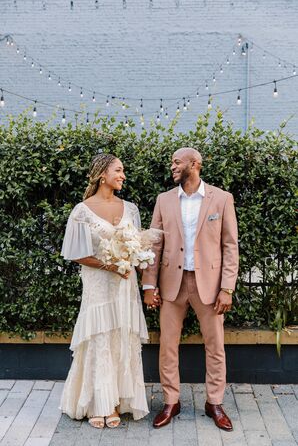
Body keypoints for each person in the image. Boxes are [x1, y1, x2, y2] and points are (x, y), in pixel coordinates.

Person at [142, 147, 239, 431]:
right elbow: (154, 244)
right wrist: (149, 284)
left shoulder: (221, 199)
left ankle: (214, 402)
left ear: (194, 164)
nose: (172, 166)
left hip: (208, 285)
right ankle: (171, 401)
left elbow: (230, 246)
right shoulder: (164, 200)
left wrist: (227, 289)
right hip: (172, 283)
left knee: (215, 346)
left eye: (176, 162)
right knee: (167, 346)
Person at [59, 152, 149, 429]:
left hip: (125, 285)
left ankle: (118, 403)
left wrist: (134, 260)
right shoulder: (82, 210)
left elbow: (138, 244)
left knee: (122, 339)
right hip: (99, 283)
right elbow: (74, 253)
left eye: (123, 171)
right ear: (102, 175)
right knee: (100, 338)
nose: (123, 175)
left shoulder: (131, 208)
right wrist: (111, 266)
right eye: (118, 170)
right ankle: (99, 403)